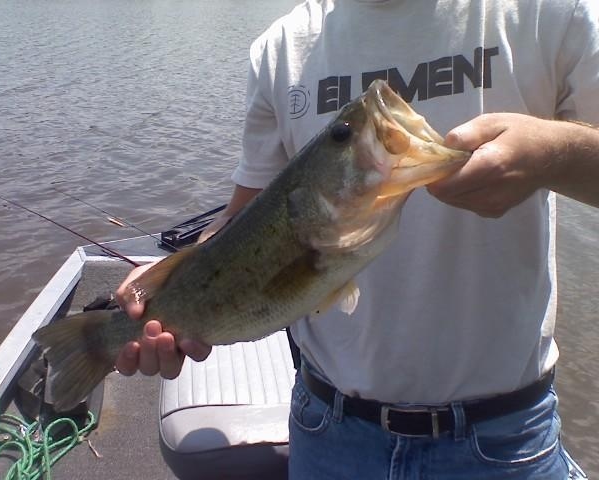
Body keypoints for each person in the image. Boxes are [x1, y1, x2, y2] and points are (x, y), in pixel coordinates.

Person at [115, 0, 599, 478]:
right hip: (328, 432)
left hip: (504, 438)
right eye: (345, 134)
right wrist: (167, 283)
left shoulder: (546, 11)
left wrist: (551, 154)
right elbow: (244, 217)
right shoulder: (282, 48)